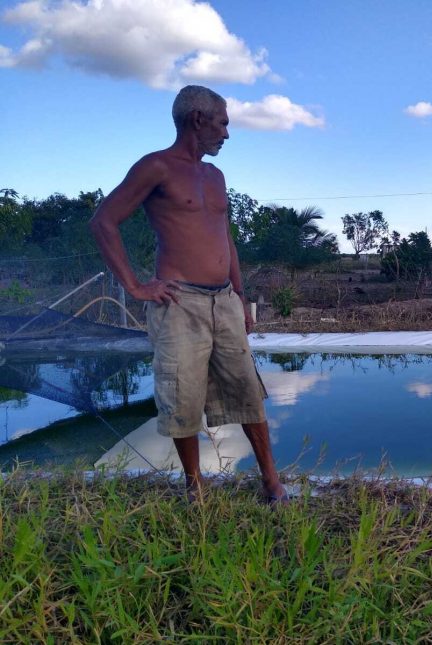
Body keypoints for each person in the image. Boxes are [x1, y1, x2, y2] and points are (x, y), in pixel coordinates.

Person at [90, 85, 290, 504]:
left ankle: (271, 482)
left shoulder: (216, 176)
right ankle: (194, 487)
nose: (227, 134)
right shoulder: (155, 167)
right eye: (223, 123)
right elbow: (104, 221)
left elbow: (226, 238)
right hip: (178, 304)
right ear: (197, 119)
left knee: (248, 392)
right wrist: (135, 286)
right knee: (182, 397)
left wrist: (239, 293)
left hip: (224, 302)